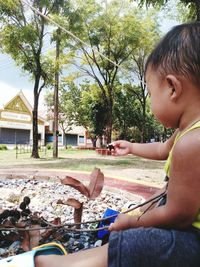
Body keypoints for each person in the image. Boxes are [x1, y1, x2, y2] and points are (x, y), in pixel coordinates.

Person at [6, 21, 200, 267]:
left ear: (172, 88)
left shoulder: (193, 142)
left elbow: (179, 216)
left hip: (193, 240)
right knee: (128, 236)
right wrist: (131, 147)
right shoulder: (186, 131)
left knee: (136, 241)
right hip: (186, 229)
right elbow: (162, 150)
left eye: (151, 93)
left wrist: (132, 221)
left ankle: (53, 264)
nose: (150, 103)